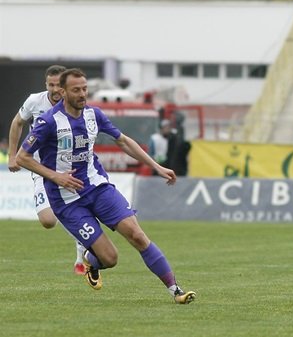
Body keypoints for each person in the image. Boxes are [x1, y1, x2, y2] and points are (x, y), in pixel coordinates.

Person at [16, 68, 196, 304]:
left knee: (137, 235)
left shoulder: (94, 115)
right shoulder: (48, 121)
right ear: (63, 92)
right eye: (76, 90)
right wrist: (56, 177)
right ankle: (92, 260)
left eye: (84, 89)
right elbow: (22, 157)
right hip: (67, 199)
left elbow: (123, 141)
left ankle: (175, 290)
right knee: (110, 258)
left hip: (97, 188)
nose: (82, 94)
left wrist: (156, 166)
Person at [6, 65, 87, 275]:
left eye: (58, 85)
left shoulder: (73, 105)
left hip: (68, 168)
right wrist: (12, 155)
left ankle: (82, 251)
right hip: (41, 168)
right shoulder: (35, 101)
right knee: (48, 221)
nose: (55, 89)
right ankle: (82, 236)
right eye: (50, 85)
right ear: (46, 84)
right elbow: (17, 122)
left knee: (75, 208)